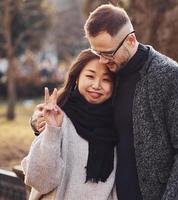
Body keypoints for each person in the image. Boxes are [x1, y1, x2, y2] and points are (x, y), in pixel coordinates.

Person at [31, 4, 178, 200]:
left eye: (107, 53)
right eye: (97, 53)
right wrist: (38, 120)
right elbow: (76, 105)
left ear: (130, 40)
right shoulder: (112, 75)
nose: (102, 61)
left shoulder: (171, 76)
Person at [22, 49, 118, 200]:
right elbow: (40, 182)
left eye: (107, 80)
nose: (97, 85)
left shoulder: (119, 124)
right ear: (77, 78)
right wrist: (52, 131)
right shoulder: (59, 116)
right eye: (90, 76)